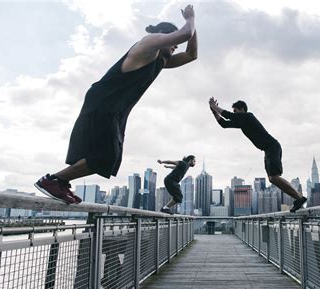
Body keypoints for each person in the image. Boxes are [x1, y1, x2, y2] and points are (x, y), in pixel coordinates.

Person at [35, 5, 198, 204]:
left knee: (108, 158)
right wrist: (190, 19)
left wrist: (193, 27)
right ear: (164, 35)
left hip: (117, 109)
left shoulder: (161, 60)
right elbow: (185, 33)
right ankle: (52, 180)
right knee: (105, 154)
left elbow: (191, 55)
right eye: (173, 42)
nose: (176, 47)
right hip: (105, 102)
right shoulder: (148, 43)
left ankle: (58, 181)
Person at [209, 97, 307, 212]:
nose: (235, 114)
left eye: (236, 111)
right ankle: (299, 198)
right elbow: (224, 124)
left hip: (272, 147)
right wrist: (214, 111)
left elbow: (228, 115)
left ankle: (299, 198)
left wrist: (214, 106)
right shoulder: (242, 123)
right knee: (273, 178)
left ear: (242, 110)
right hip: (268, 149)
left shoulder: (248, 116)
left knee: (274, 177)